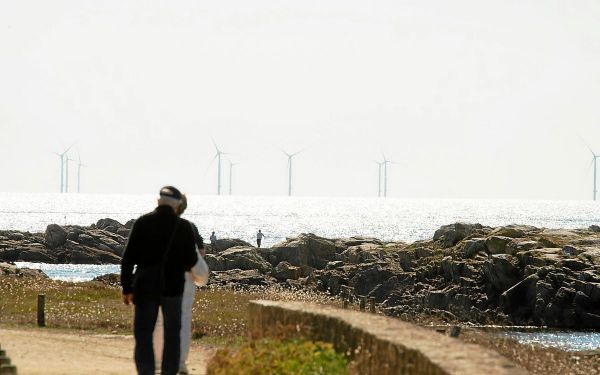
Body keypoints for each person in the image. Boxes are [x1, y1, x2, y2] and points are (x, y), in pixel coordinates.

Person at [121, 186, 198, 375]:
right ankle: (169, 372)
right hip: (173, 288)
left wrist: (126, 288)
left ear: (158, 201)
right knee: (172, 334)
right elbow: (191, 261)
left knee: (144, 334)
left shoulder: (143, 222)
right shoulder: (184, 227)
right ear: (178, 205)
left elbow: (128, 258)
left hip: (145, 287)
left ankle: (146, 371)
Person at [153, 194, 204, 375]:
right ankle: (179, 362)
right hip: (184, 280)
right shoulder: (189, 228)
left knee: (159, 321)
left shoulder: (153, 225)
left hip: (158, 278)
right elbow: (199, 254)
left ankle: (159, 361)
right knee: (181, 321)